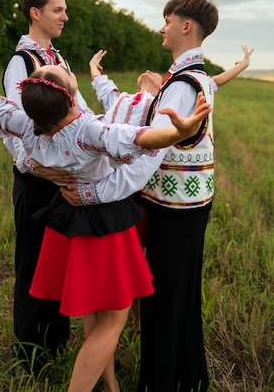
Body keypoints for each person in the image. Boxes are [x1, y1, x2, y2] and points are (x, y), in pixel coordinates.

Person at [0, 24, 211, 392]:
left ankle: (110, 386)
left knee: (93, 314)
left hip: (68, 222)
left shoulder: (26, 125)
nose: (59, 66)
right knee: (112, 321)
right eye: (60, 71)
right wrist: (179, 132)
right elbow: (145, 138)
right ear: (69, 94)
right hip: (105, 223)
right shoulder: (88, 131)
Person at [61, 0, 220, 392]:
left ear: (186, 26)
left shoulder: (183, 85)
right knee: (179, 294)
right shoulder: (192, 78)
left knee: (166, 299)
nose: (162, 27)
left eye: (168, 20)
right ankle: (186, 375)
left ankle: (161, 381)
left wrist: (93, 193)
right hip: (187, 201)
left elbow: (149, 159)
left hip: (175, 207)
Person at [88, 44, 254, 331]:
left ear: (163, 87)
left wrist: (242, 65)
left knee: (146, 257)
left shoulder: (167, 103)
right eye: (147, 72)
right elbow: (102, 86)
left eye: (154, 74)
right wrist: (93, 65)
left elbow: (213, 82)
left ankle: (138, 319)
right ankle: (124, 317)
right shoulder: (125, 100)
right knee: (134, 257)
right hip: (130, 191)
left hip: (147, 191)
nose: (149, 72)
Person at [1, 0, 90, 369]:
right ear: (35, 13)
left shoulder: (60, 59)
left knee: (59, 263)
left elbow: (80, 111)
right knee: (32, 262)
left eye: (65, 10)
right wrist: (35, 165)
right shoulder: (22, 62)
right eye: (58, 10)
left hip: (63, 181)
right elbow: (11, 124)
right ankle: (28, 353)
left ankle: (55, 341)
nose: (65, 16)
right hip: (36, 180)